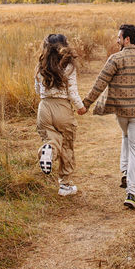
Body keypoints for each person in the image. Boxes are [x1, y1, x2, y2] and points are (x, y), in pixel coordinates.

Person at [82, 24, 135, 209]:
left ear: (127, 39)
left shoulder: (115, 58)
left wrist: (86, 103)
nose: (117, 40)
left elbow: (100, 83)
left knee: (126, 137)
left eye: (119, 37)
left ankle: (125, 171)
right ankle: (131, 193)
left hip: (122, 113)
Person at [34, 33, 86, 196]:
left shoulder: (40, 65)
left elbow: (37, 89)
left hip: (44, 107)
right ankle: (65, 185)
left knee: (51, 140)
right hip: (62, 108)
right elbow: (72, 91)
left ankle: (47, 150)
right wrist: (80, 107)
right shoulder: (69, 66)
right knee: (67, 145)